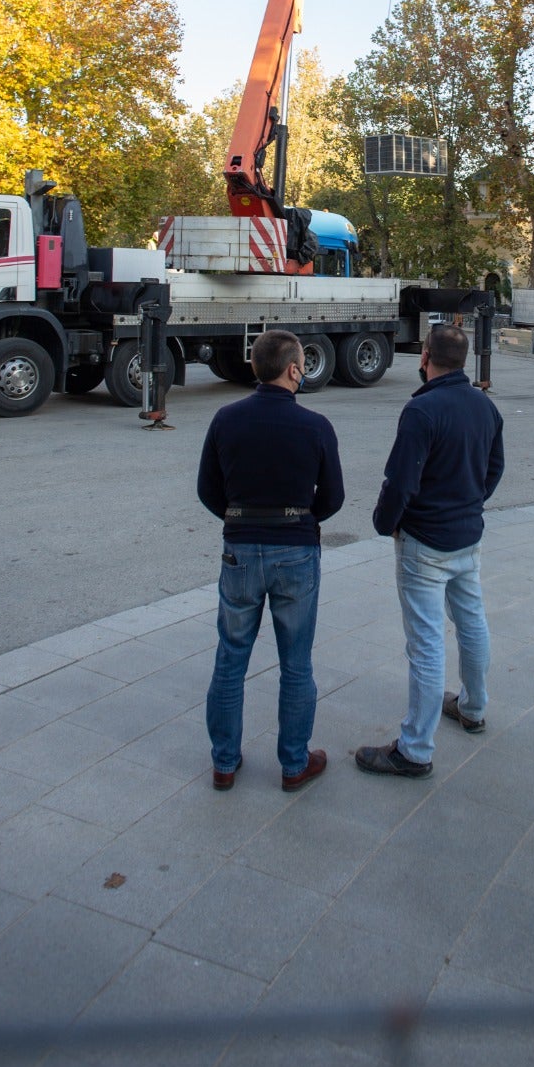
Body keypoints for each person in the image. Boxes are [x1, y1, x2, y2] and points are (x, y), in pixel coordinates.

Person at [355, 322, 505, 779]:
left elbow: (401, 480)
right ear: (462, 360)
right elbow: (494, 468)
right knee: (472, 621)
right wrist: (471, 504)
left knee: (425, 643)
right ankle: (473, 708)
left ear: (425, 358)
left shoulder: (422, 411)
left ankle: (415, 749)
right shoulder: (485, 406)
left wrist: (387, 524)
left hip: (425, 542)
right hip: (466, 535)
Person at [198, 328, 343, 793]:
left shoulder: (225, 418)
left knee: (230, 658)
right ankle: (294, 764)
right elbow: (334, 497)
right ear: (294, 369)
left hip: (239, 548)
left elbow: (208, 489)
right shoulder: (316, 426)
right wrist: (302, 520)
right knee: (296, 663)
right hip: (296, 551)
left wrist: (238, 516)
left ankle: (224, 762)